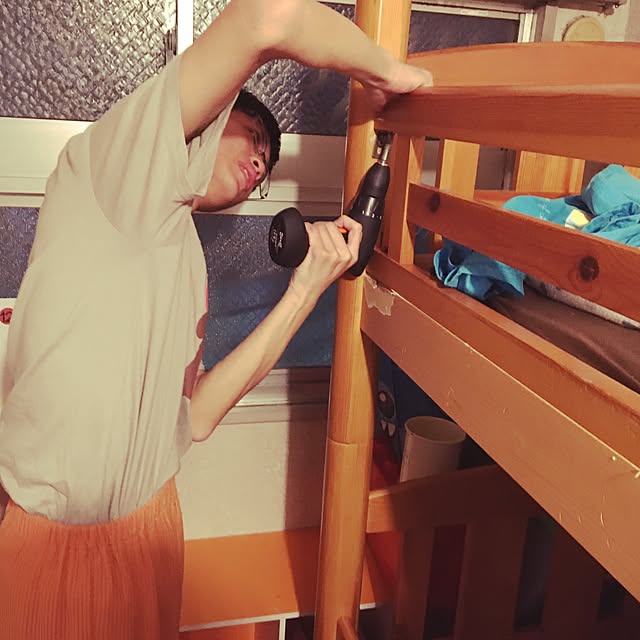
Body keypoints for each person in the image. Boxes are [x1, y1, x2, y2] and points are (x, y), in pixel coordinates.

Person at [0, 0, 433, 638]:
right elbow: (268, 16)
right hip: (55, 545)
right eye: (254, 139)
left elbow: (195, 417)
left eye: (266, 168)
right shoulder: (112, 168)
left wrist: (305, 290)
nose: (259, 167)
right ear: (210, 114)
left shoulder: (183, 261)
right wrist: (390, 75)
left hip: (153, 525)